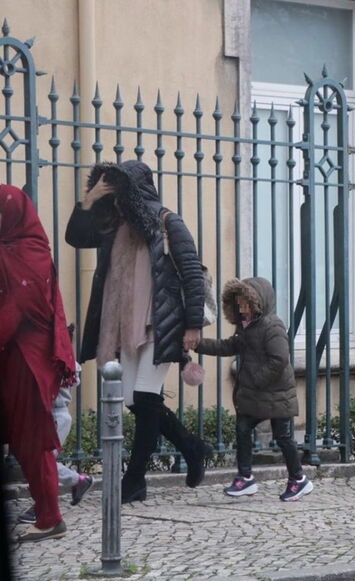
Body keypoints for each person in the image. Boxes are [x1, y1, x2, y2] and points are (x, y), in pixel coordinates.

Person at [65, 161, 211, 504]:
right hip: (124, 326)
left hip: (161, 324)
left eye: (119, 195)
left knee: (145, 397)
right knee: (135, 401)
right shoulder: (115, 227)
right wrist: (89, 201)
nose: (115, 203)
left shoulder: (166, 221)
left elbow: (191, 272)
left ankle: (135, 480)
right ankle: (193, 446)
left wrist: (191, 326)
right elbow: (78, 238)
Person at [0, 185, 76, 542]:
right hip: (14, 359)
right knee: (26, 441)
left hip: (27, 363)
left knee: (33, 442)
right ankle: (49, 514)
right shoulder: (11, 249)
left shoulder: (29, 252)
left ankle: (50, 517)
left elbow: (17, 310)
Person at [196, 277, 312, 501]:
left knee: (283, 437)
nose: (242, 309)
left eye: (245, 304)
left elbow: (279, 360)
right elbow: (229, 346)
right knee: (243, 429)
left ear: (257, 303)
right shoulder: (245, 327)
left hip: (277, 394)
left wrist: (256, 379)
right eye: (238, 305)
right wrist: (199, 345)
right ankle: (245, 478)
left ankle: (299, 480)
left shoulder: (273, 326)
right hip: (257, 395)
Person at [18, 325, 94, 525]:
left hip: (56, 417)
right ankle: (76, 483)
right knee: (40, 462)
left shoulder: (61, 361)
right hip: (51, 417)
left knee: (44, 463)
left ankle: (50, 501)